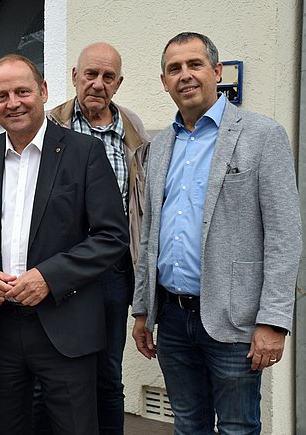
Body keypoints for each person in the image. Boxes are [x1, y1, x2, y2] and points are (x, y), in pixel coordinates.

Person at [131, 32, 301, 434]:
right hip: (171, 318)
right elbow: (149, 233)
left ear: (216, 71)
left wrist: (273, 322)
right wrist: (142, 310)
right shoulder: (161, 146)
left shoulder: (262, 136)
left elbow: (284, 236)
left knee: (238, 427)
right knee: (188, 425)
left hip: (236, 319)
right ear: (164, 81)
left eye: (195, 65)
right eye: (175, 69)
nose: (185, 76)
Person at [0, 54, 129, 434]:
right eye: (2, 95)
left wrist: (50, 277)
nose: (13, 103)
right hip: (0, 328)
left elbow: (112, 236)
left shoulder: (84, 153)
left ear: (44, 92)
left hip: (65, 325)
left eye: (22, 91)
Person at [33, 42, 151, 435]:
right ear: (74, 76)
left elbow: (144, 213)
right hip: (59, 269)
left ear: (118, 83)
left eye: (108, 77)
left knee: (106, 374)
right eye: (90, 74)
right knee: (52, 370)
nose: (98, 84)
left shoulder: (135, 134)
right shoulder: (49, 127)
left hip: (112, 273)